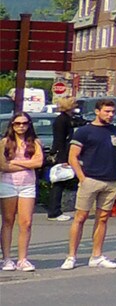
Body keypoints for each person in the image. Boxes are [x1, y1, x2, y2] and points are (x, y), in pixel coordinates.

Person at [65, 98, 116, 269]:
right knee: (80, 217)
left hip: (112, 180)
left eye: (112, 112)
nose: (110, 115)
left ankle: (96, 255)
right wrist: (82, 178)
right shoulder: (84, 132)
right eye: (107, 111)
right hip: (90, 179)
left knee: (103, 218)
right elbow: (73, 157)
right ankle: (71, 256)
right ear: (97, 111)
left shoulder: (115, 131)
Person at [2, 111, 46, 271]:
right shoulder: (5, 142)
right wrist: (27, 163)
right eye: (17, 123)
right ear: (12, 125)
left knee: (26, 222)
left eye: (24, 123)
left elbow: (39, 162)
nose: (21, 126)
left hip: (28, 185)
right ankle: (7, 258)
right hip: (8, 184)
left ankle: (23, 259)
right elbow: (3, 166)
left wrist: (16, 163)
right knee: (8, 220)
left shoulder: (35, 142)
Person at [44, 97, 78, 221]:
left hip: (64, 153)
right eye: (74, 103)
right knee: (58, 183)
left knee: (61, 183)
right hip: (62, 155)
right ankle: (54, 211)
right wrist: (63, 158)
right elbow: (60, 140)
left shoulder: (67, 119)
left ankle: (56, 210)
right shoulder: (61, 120)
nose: (76, 105)